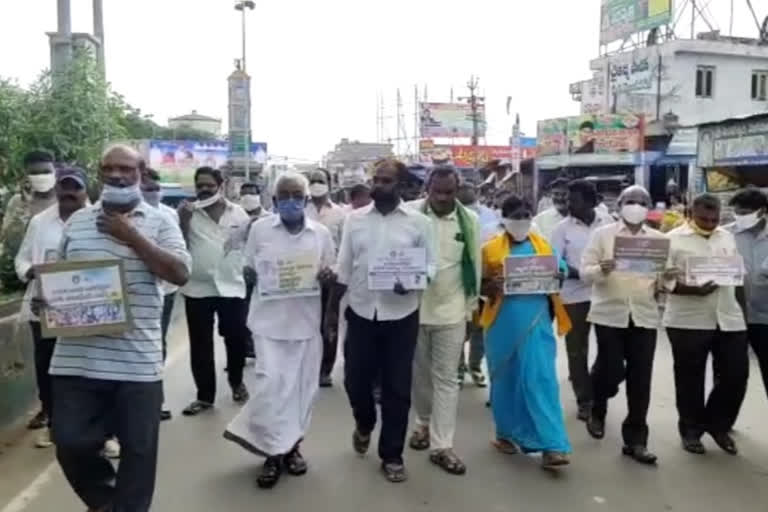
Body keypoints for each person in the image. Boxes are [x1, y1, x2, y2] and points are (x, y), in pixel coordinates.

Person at [46, 144, 190, 512]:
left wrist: (133, 237)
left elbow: (180, 273)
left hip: (137, 363)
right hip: (75, 360)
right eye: (108, 168)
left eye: (125, 168)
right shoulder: (77, 221)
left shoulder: (162, 221)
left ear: (140, 172)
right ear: (99, 173)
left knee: (139, 455)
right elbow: (61, 279)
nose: (116, 175)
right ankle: (106, 503)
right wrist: (48, 300)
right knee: (71, 443)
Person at [224, 172, 336, 489]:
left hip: (306, 324)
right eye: (284, 195)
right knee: (272, 389)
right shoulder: (259, 230)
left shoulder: (321, 234)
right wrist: (252, 275)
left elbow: (332, 273)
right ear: (274, 201)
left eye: (296, 194)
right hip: (268, 325)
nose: (290, 200)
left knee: (302, 393)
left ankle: (292, 449)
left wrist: (327, 286)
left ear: (306, 198)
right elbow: (247, 270)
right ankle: (272, 454)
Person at [330, 158, 435, 483]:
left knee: (396, 388)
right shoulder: (355, 221)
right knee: (355, 381)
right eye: (376, 179)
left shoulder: (419, 223)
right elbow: (343, 267)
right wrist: (332, 313)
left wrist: (414, 280)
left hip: (401, 315)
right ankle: (364, 423)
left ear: (401, 186)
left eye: (386, 181)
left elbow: (429, 267)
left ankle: (392, 455)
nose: (378, 186)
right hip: (361, 311)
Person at [481, 195, 572, 469]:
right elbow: (479, 285)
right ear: (503, 218)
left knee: (540, 379)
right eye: (514, 215)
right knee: (504, 379)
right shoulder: (489, 249)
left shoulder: (543, 246)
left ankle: (553, 445)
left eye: (525, 215)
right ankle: (506, 434)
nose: (520, 220)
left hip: (536, 321)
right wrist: (491, 285)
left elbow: (561, 271)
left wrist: (558, 275)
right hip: (501, 323)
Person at [580, 185, 667, 465]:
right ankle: (598, 406)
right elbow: (585, 272)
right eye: (630, 200)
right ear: (619, 205)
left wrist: (670, 277)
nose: (635, 205)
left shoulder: (657, 240)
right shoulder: (602, 235)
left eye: (642, 201)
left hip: (644, 315)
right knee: (611, 368)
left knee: (641, 380)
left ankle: (636, 440)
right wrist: (600, 269)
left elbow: (664, 282)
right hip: (609, 314)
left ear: (649, 206)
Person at [406, 165, 480, 475]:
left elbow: (475, 266)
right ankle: (422, 423)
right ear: (427, 188)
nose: (442, 198)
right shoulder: (409, 216)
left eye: (448, 192)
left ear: (457, 190)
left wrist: (472, 311)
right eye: (436, 191)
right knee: (420, 375)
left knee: (447, 378)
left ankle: (442, 445)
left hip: (451, 309)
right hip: (413, 308)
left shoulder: (470, 221)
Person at [664, 193, 748, 456]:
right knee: (690, 379)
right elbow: (660, 279)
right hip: (688, 320)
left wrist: (742, 315)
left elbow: (737, 274)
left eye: (715, 218)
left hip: (728, 318)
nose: (710, 223)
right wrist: (689, 290)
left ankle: (717, 424)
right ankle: (691, 431)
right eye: (704, 218)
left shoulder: (726, 236)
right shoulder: (672, 240)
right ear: (690, 213)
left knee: (736, 375)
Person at [14, 167, 89, 448]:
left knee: (89, 371)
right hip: (44, 309)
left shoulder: (101, 220)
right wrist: (30, 271)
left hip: (88, 313)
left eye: (75, 187)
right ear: (56, 188)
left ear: (85, 191)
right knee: (47, 368)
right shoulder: (39, 222)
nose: (69, 193)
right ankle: (54, 425)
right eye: (64, 187)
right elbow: (21, 260)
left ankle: (102, 432)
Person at [179, 167, 251, 416]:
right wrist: (184, 221)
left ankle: (237, 382)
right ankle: (205, 397)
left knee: (236, 338)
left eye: (209, 185)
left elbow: (246, 246)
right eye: (200, 184)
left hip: (232, 285)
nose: (204, 189)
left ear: (220, 185)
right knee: (200, 345)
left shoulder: (238, 213)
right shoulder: (188, 213)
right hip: (197, 289)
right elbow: (178, 247)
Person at [551, 179, 612, 421]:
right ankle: (584, 400)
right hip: (574, 296)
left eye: (572, 200)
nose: (567, 204)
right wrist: (579, 272)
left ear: (590, 202)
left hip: (606, 294)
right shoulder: (561, 229)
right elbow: (556, 260)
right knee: (577, 351)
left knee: (609, 350)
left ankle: (597, 386)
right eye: (566, 199)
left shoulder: (608, 223)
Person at [140, 166, 180, 421]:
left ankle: (156, 398)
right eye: (147, 189)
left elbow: (178, 255)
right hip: (135, 292)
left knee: (157, 342)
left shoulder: (169, 216)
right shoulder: (119, 218)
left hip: (165, 290)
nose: (152, 193)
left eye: (156, 189)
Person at [305, 168, 346, 387]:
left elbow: (345, 249)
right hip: (304, 279)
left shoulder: (340, 214)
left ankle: (325, 370)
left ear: (329, 183)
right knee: (307, 323)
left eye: (320, 180)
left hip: (332, 278)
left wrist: (335, 269)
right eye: (312, 180)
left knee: (329, 324)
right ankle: (308, 367)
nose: (316, 184)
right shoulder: (301, 210)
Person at [456, 182, 498, 388]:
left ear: (477, 194)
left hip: (483, 279)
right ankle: (458, 367)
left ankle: (475, 366)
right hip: (456, 279)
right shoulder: (448, 215)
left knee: (480, 327)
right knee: (458, 327)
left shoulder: (490, 215)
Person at [729, 189, 768, 402]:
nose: (739, 216)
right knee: (731, 375)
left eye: (744, 212)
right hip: (734, 318)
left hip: (765, 318)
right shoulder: (725, 235)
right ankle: (722, 425)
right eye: (737, 211)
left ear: (761, 211)